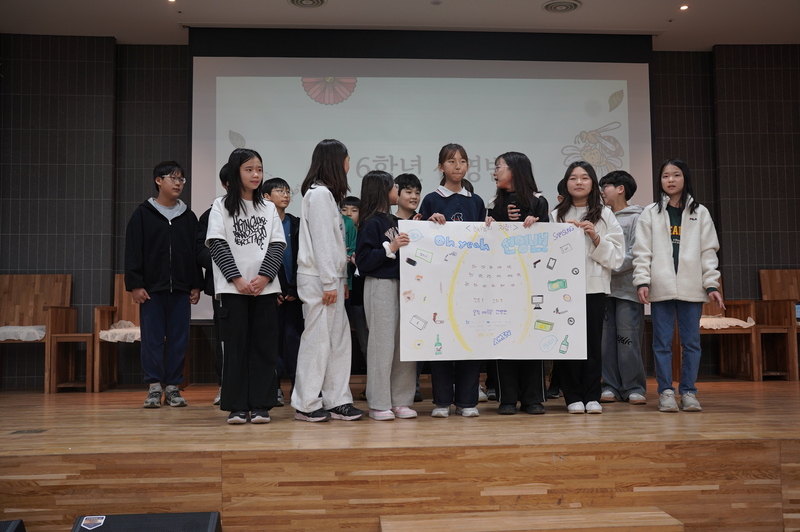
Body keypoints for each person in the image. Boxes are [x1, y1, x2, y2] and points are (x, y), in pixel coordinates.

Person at [633, 158, 724, 413]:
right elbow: (642, 251)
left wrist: (711, 285)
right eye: (665, 176)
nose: (670, 180)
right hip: (660, 288)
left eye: (676, 175)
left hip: (691, 288)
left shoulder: (700, 212)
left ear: (685, 178)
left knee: (691, 343)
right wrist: (642, 280)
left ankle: (688, 392)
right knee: (661, 343)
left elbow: (708, 251)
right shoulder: (650, 212)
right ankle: (665, 392)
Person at [206, 148, 286, 424]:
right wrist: (237, 279)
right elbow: (217, 243)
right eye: (249, 169)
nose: (255, 175)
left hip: (265, 290)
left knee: (264, 348)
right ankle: (237, 406)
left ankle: (261, 405)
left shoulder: (268, 207)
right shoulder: (220, 206)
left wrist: (264, 277)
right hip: (232, 290)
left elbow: (277, 244)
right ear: (235, 171)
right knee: (236, 348)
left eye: (259, 169)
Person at [292, 139, 364, 422]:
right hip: (318, 278)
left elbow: (334, 247)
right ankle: (306, 402)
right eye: (347, 159)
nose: (349, 165)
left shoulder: (326, 195)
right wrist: (328, 283)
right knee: (318, 340)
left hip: (330, 277)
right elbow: (322, 242)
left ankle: (337, 400)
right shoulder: (319, 194)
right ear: (337, 161)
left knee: (338, 341)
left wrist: (340, 280)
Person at [125, 161, 202, 409]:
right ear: (158, 181)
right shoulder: (142, 214)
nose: (178, 183)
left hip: (181, 288)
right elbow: (133, 252)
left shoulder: (188, 217)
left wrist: (196, 284)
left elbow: (195, 253)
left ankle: (173, 387)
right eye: (173, 178)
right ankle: (154, 387)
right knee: (153, 340)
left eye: (181, 179)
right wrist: (135, 284)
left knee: (179, 339)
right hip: (151, 290)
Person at [419, 143, 486, 418]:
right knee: (442, 338)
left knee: (470, 338)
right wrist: (428, 223)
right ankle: (442, 401)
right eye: (451, 161)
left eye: (462, 161)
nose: (458, 166)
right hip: (439, 283)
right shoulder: (431, 200)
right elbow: (419, 237)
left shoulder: (476, 201)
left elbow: (483, 241)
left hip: (470, 282)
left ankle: (468, 401)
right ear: (441, 166)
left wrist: (490, 228)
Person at [552, 161, 624, 414]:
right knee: (567, 342)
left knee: (592, 343)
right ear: (566, 183)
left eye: (584, 177)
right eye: (573, 178)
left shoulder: (605, 214)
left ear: (593, 183)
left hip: (593, 288)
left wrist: (595, 236)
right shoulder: (555, 215)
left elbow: (617, 257)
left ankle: (592, 395)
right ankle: (572, 396)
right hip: (562, 290)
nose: (579, 182)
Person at [485, 151, 549, 415]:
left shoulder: (539, 201)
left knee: (531, 337)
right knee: (504, 338)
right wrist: (489, 225)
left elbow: (549, 242)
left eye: (499, 167)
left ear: (515, 170)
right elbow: (488, 244)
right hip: (501, 283)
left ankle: (533, 398)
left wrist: (538, 226)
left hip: (532, 284)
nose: (495, 172)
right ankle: (507, 398)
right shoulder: (494, 203)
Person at [355, 170, 417, 420]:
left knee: (403, 344)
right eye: (394, 187)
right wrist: (390, 247)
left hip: (403, 285)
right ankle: (379, 402)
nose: (397, 191)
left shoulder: (392, 220)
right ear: (382, 190)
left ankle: (401, 400)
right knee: (382, 345)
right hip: (380, 285)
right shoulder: (370, 222)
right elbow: (364, 261)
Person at [598, 170, 647, 405]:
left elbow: (636, 253)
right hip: (604, 289)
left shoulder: (638, 217)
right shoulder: (601, 217)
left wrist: (608, 266)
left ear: (620, 189)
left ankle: (633, 387)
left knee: (628, 340)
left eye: (605, 186)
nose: (602, 192)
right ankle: (609, 385)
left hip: (628, 290)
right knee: (606, 342)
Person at [264, 177, 304, 406]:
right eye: (280, 191)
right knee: (272, 342)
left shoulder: (296, 224)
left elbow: (303, 258)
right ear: (266, 196)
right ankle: (274, 387)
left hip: (294, 294)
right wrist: (275, 288)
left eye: (288, 191)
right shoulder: (262, 224)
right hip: (271, 294)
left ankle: (299, 387)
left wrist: (294, 288)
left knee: (295, 341)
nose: (286, 195)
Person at [195, 164, 228, 406]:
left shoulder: (262, 210)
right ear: (225, 184)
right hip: (222, 287)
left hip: (256, 286)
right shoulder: (211, 214)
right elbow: (200, 251)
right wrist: (228, 263)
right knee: (224, 338)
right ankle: (225, 386)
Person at [392, 173, 425, 402]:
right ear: (397, 193)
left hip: (420, 290)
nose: (414, 196)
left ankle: (413, 385)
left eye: (417, 192)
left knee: (416, 335)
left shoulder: (425, 223)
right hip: (394, 286)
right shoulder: (387, 221)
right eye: (408, 192)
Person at [341, 195, 369, 397]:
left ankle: (373, 384)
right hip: (346, 293)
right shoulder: (339, 232)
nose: (349, 214)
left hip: (363, 293)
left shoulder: (366, 233)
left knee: (368, 341)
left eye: (354, 210)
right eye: (345, 210)